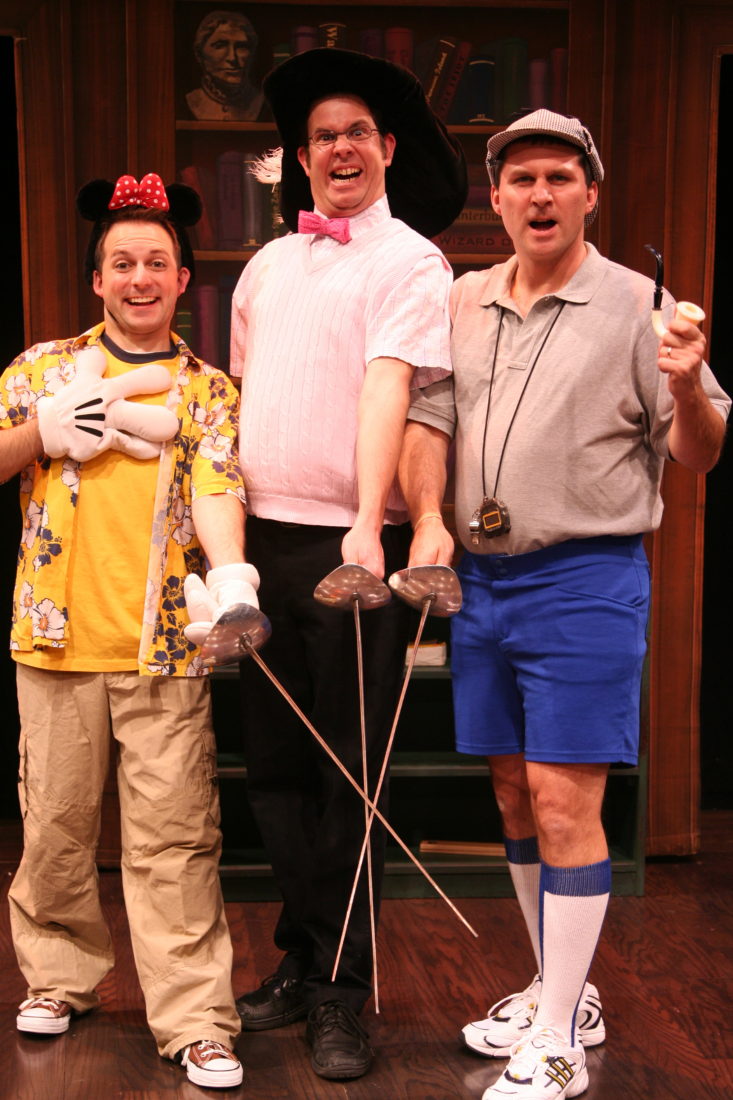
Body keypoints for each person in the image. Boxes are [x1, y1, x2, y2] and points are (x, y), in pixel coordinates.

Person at [398, 109, 730, 1100]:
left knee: (560, 796)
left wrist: (689, 387)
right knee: (510, 788)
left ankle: (557, 1042)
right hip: (483, 580)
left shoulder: (639, 305)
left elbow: (698, 452)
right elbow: (428, 417)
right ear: (496, 197)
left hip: (584, 576)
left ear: (590, 193)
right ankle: (561, 992)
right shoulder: (462, 298)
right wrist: (427, 518)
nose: (538, 194)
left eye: (558, 177)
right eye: (520, 179)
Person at [226, 47, 467, 1082]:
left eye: (356, 133)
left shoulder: (410, 261)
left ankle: (340, 990)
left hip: (350, 548)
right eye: (322, 136)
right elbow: (242, 400)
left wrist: (370, 524)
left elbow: (389, 389)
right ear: (301, 156)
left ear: (387, 149)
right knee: (275, 770)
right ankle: (302, 954)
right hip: (261, 548)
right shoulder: (267, 266)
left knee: (346, 777)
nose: (338, 149)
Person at [0, 173, 253, 1090]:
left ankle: (195, 1022)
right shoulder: (38, 371)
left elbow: (217, 487)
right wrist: (42, 429)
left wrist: (231, 577)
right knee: (54, 829)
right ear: (97, 278)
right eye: (122, 263)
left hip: (166, 646)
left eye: (156, 262)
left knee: (175, 842)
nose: (139, 277)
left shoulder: (208, 390)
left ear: (182, 278)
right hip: (55, 642)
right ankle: (60, 979)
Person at [185, 9, 265, 121]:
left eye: (241, 46)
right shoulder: (192, 100)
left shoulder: (261, 101)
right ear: (199, 54)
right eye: (220, 45)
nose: (232, 58)